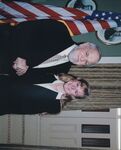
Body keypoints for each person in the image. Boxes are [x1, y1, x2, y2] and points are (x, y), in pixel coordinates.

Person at [0, 19, 101, 78]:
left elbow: (30, 77)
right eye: (87, 54)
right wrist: (21, 55)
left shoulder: (62, 71)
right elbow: (24, 28)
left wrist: (21, 72)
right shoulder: (60, 30)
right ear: (84, 45)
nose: (82, 59)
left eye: (86, 62)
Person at [0, 73, 90, 115]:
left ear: (73, 96)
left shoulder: (55, 107)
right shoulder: (52, 74)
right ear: (75, 79)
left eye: (76, 92)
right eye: (77, 84)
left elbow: (25, 109)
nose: (73, 87)